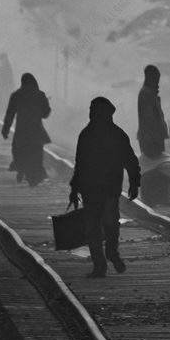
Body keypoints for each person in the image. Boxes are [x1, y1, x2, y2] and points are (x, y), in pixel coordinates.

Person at [69, 97, 141, 278]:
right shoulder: (112, 134)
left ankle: (107, 257)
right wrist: (134, 182)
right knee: (104, 225)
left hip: (99, 189)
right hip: (102, 188)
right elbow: (130, 161)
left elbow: (129, 160)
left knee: (98, 227)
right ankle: (104, 260)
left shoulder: (90, 134)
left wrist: (134, 182)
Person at [1, 73, 52, 186]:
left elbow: (10, 114)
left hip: (21, 131)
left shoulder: (16, 95)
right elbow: (45, 113)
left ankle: (20, 167)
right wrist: (47, 104)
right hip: (36, 132)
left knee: (18, 150)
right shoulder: (39, 95)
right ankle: (36, 175)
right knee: (37, 154)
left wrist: (5, 129)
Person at [137, 65, 168, 159]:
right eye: (156, 78)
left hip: (151, 137)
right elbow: (150, 118)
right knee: (155, 166)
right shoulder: (146, 94)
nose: (158, 81)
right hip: (151, 139)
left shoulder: (149, 93)